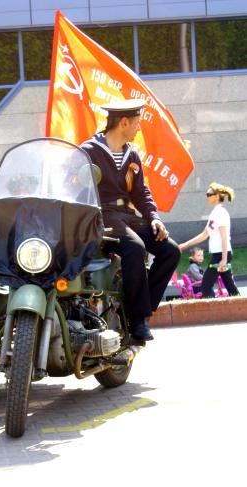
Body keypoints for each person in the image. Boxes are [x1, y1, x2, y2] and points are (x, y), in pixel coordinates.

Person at [81, 99, 180, 341]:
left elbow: (141, 193)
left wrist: (154, 218)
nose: (139, 128)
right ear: (123, 122)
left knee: (171, 251)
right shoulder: (88, 151)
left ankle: (141, 309)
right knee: (134, 247)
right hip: (101, 217)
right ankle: (137, 319)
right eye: (136, 123)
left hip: (128, 217)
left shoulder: (132, 154)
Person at [179, 182, 239, 298]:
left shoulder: (220, 212)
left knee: (205, 286)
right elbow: (204, 235)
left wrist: (224, 259)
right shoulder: (215, 213)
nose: (206, 196)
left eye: (209, 194)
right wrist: (185, 245)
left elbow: (224, 236)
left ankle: (211, 312)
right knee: (231, 287)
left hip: (221, 255)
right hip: (220, 255)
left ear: (216, 196)